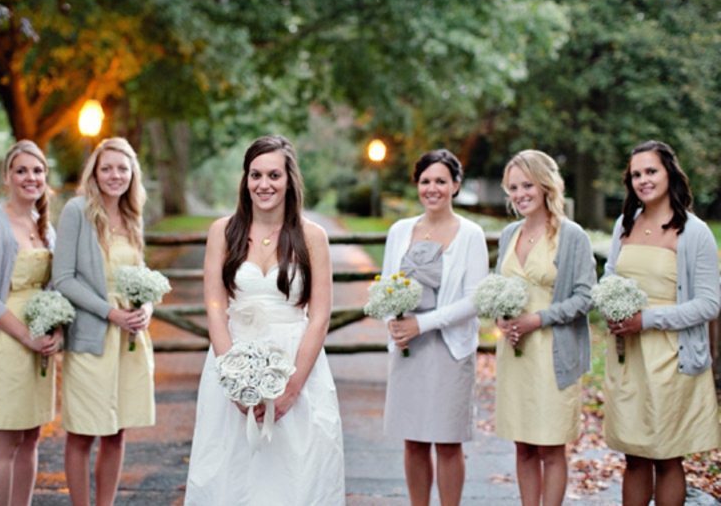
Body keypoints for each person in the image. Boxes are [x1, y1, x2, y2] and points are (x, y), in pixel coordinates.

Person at [184, 135, 345, 505]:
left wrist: (291, 388)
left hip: (296, 361)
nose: (264, 184)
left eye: (274, 175)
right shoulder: (223, 232)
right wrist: (234, 381)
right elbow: (214, 308)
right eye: (255, 175)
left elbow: (319, 316)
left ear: (289, 180)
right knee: (232, 474)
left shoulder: (312, 237)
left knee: (296, 474)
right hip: (233, 357)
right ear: (245, 180)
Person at [602, 140, 721, 506]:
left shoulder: (694, 231)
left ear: (669, 173)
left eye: (650, 171)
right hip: (627, 358)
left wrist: (647, 319)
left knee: (667, 456)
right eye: (636, 174)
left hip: (672, 358)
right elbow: (608, 276)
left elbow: (709, 303)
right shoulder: (625, 225)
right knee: (633, 455)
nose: (643, 180)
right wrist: (609, 306)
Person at [381, 149, 488, 506]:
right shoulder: (400, 231)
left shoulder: (470, 234)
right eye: (425, 181)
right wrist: (393, 323)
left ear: (456, 185)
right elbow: (385, 287)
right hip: (408, 351)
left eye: (441, 181)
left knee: (446, 440)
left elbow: (475, 300)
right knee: (412, 439)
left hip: (449, 348)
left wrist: (421, 324)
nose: (432, 188)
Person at [52, 137, 155, 506]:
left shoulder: (132, 216)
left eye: (122, 168)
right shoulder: (76, 211)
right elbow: (63, 277)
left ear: (132, 174)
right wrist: (110, 312)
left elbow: (141, 275)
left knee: (117, 433)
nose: (115, 175)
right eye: (107, 167)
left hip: (129, 341)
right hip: (92, 336)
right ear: (94, 171)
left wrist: (147, 310)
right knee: (83, 433)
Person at [493, 150, 596, 506]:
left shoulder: (571, 236)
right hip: (515, 356)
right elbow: (496, 289)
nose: (519, 194)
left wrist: (538, 319)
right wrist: (501, 318)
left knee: (550, 448)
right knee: (522, 447)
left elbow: (586, 297)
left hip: (554, 356)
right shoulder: (509, 234)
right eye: (512, 187)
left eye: (526, 185)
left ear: (545, 185)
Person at [0, 140, 61, 506]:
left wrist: (55, 328)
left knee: (32, 437)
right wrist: (26, 336)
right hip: (6, 342)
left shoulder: (45, 226)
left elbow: (53, 286)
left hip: (40, 342)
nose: (30, 178)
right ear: (6, 177)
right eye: (21, 171)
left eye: (37, 171)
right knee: (5, 441)